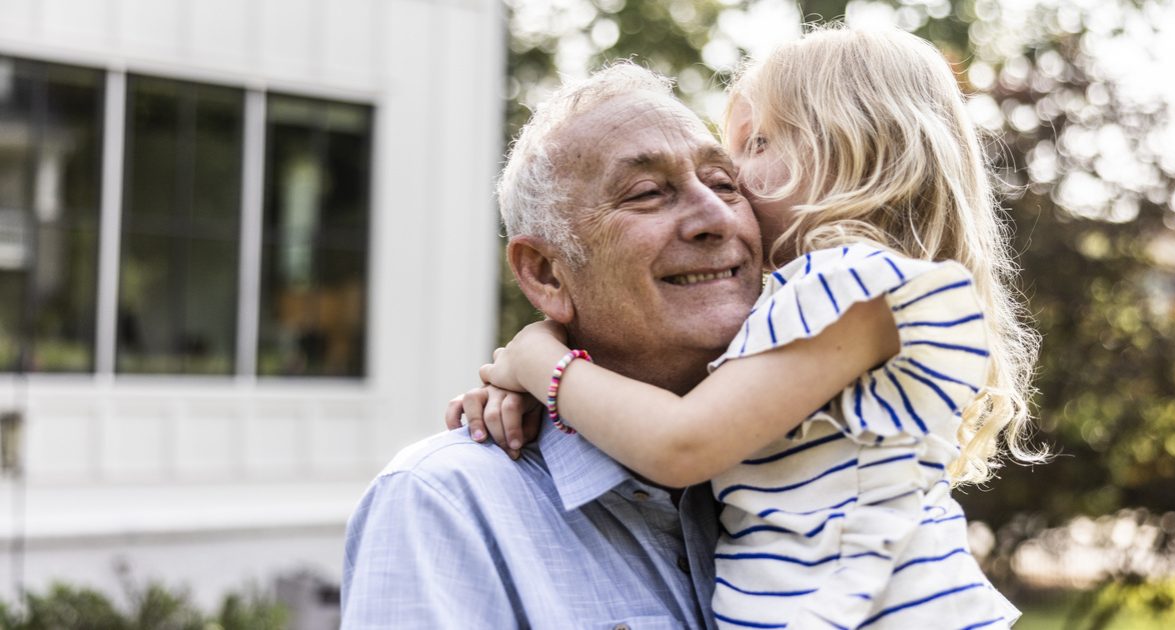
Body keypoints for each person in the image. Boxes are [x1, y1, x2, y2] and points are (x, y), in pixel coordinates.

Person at [469, 26, 1040, 629]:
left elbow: (679, 443)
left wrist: (536, 359)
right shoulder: (816, 297)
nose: (733, 179)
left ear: (856, 156)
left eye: (757, 142)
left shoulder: (848, 285)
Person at [340, 63, 764, 628]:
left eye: (724, 183)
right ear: (545, 274)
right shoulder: (445, 506)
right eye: (646, 193)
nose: (714, 216)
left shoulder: (831, 452)